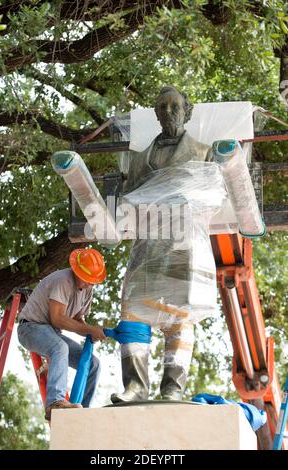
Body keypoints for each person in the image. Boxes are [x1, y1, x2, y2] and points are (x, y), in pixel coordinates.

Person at [111, 86, 225, 403]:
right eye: (163, 106)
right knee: (132, 312)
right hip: (147, 243)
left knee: (180, 313)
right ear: (156, 113)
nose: (170, 112)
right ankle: (135, 386)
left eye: (175, 106)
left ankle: (173, 386)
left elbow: (214, 195)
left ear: (187, 112)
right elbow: (129, 199)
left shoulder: (204, 151)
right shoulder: (137, 160)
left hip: (184, 243)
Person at [17, 247, 107, 420]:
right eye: (87, 279)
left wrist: (91, 333)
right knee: (60, 348)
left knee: (92, 364)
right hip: (30, 328)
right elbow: (58, 319)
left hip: (51, 332)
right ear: (77, 271)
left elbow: (78, 319)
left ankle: (82, 415)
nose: (89, 284)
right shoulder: (62, 281)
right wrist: (90, 330)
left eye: (93, 281)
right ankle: (55, 403)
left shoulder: (88, 290)